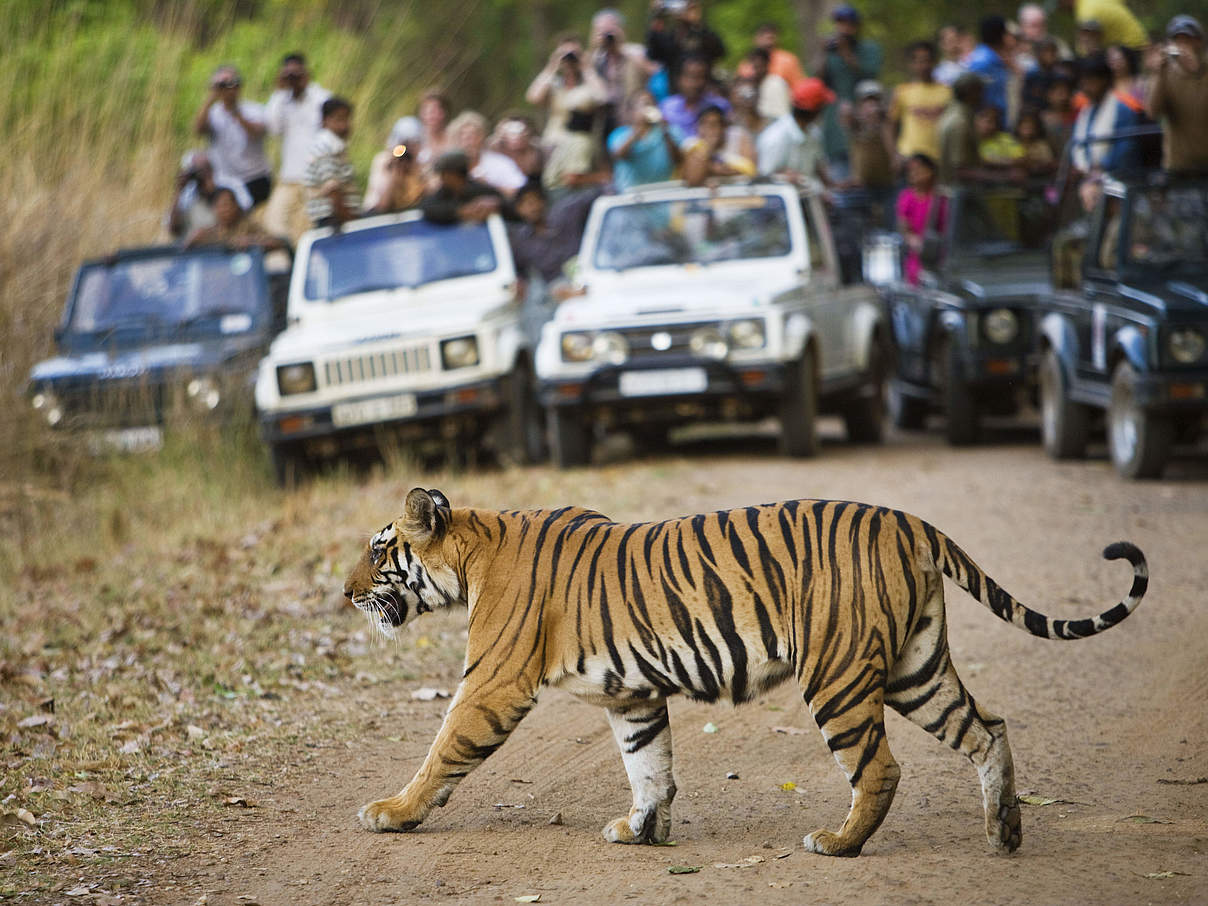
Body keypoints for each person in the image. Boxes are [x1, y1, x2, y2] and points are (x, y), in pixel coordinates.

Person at [262, 52, 331, 243]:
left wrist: (303, 85)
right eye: (289, 74)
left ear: (305, 72)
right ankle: (285, 265)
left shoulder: (321, 98)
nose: (293, 79)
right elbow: (272, 127)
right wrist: (280, 91)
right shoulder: (282, 100)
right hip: (289, 179)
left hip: (314, 178)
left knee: (306, 229)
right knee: (273, 222)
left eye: (296, 74)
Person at [525, 36, 609, 193]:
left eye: (574, 54)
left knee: (579, 188)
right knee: (555, 185)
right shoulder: (554, 84)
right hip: (553, 143)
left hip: (581, 148)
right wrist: (552, 66)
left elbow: (602, 97)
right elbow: (533, 97)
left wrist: (586, 67)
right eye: (565, 54)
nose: (570, 58)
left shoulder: (589, 83)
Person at [192, 65, 272, 206]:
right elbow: (198, 130)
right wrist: (211, 99)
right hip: (225, 180)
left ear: (239, 85)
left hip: (255, 178)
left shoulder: (255, 109)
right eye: (221, 84)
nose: (226, 88)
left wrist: (235, 111)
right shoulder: (213, 113)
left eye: (230, 83)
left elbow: (256, 132)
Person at [820, 5, 883, 175]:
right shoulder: (831, 53)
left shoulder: (869, 49)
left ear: (856, 26)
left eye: (849, 23)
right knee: (839, 169)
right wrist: (824, 54)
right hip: (836, 124)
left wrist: (846, 53)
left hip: (863, 120)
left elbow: (870, 75)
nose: (844, 28)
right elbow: (819, 82)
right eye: (840, 23)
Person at [507, 179, 600, 291]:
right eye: (526, 204)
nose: (533, 207)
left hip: (592, 274)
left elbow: (596, 195)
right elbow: (519, 272)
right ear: (518, 210)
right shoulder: (521, 242)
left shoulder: (567, 213)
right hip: (559, 290)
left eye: (535, 200)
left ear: (544, 201)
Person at [1148, 15, 1208, 172]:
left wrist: (1196, 72)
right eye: (1178, 40)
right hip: (1178, 166)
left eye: (1187, 40)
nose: (1183, 46)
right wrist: (1158, 73)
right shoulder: (1164, 74)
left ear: (1199, 42)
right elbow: (1152, 112)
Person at [1071, 52, 1142, 176]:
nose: (1086, 87)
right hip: (1087, 176)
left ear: (1105, 81)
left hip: (1116, 177)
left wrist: (1101, 167)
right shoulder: (1086, 112)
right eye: (1084, 82)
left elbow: (1125, 149)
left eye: (1091, 81)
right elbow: (1077, 145)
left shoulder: (1123, 110)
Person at [589, 9, 652, 147]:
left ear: (621, 30)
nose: (607, 35)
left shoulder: (636, 51)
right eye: (602, 30)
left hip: (633, 118)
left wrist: (621, 48)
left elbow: (652, 73)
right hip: (606, 123)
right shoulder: (595, 58)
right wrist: (595, 45)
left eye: (610, 29)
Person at [757, 77, 835, 186]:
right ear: (816, 111)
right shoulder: (776, 137)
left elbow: (819, 168)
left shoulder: (813, 133)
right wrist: (783, 178)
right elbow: (763, 179)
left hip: (809, 197)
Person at [166, 150, 252, 240]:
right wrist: (179, 190)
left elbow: (244, 214)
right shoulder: (187, 194)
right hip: (194, 247)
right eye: (196, 170)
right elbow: (173, 229)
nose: (202, 174)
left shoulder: (231, 184)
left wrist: (211, 187)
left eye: (206, 168)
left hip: (224, 243)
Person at [890, 41, 952, 163]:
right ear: (912, 64)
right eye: (919, 61)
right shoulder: (902, 91)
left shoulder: (947, 92)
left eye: (927, 60)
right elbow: (891, 124)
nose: (924, 66)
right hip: (909, 156)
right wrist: (894, 154)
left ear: (934, 62)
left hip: (939, 157)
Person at [303, 97, 359, 228]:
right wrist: (351, 222)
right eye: (339, 119)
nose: (344, 125)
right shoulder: (327, 147)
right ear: (325, 121)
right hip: (334, 221)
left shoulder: (335, 146)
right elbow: (333, 191)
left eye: (347, 119)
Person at [607, 91, 681, 191]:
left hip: (663, 192)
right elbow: (619, 156)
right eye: (643, 104)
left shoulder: (670, 131)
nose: (647, 108)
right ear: (631, 112)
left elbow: (678, 160)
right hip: (631, 194)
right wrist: (637, 132)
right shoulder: (620, 134)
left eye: (651, 104)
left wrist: (665, 130)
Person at [645, 0, 726, 88]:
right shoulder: (670, 37)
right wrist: (657, 16)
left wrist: (697, 23)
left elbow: (720, 51)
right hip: (676, 92)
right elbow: (653, 55)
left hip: (704, 90)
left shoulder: (702, 34)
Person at [447, 111, 527, 196]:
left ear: (483, 137)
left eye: (473, 136)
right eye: (462, 136)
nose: (468, 142)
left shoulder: (500, 163)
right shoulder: (448, 166)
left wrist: (488, 185)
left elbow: (521, 191)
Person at [184, 186, 287, 251]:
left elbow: (277, 242)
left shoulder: (249, 227)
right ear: (214, 209)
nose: (224, 210)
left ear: (236, 206)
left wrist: (251, 242)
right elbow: (185, 249)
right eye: (220, 206)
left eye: (227, 205)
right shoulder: (208, 233)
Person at [896, 153, 946, 285]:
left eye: (920, 170)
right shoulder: (907, 197)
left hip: (942, 252)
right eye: (911, 171)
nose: (915, 174)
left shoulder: (941, 196)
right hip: (919, 255)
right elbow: (905, 229)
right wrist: (915, 242)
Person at [680, 105, 756, 186]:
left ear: (724, 127)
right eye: (703, 124)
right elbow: (693, 180)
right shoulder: (692, 144)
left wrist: (712, 169)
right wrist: (708, 148)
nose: (708, 130)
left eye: (713, 125)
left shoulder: (738, 136)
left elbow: (750, 171)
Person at [420, 150, 503, 225]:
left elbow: (508, 208)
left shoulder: (483, 191)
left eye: (445, 174)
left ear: (455, 175)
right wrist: (460, 211)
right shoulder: (442, 194)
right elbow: (428, 207)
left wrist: (495, 204)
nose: (442, 178)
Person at [659, 55, 730, 138]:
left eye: (700, 77)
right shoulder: (667, 107)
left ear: (707, 80)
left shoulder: (721, 106)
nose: (694, 84)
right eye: (689, 76)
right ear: (678, 79)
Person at [364, 126, 425, 215]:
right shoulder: (385, 163)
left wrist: (415, 168)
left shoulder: (420, 167)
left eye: (412, 144)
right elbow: (383, 205)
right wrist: (394, 171)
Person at [936, 72, 984, 185]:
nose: (982, 95)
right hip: (958, 193)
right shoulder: (959, 122)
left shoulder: (958, 114)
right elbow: (959, 169)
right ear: (970, 92)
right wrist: (1000, 176)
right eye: (980, 91)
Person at [965, 15, 1012, 121]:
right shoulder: (982, 62)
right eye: (1006, 34)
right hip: (987, 124)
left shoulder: (996, 59)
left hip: (999, 120)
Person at [1058, 0, 1147, 50]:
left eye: (1060, 2)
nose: (1060, 7)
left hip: (1132, 49)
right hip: (1141, 39)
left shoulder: (1085, 13)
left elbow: (1085, 52)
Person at [488, 114, 545, 179]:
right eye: (511, 133)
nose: (515, 137)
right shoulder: (492, 149)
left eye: (521, 133)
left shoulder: (539, 150)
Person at [754, 21, 806, 86]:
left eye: (770, 38)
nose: (767, 41)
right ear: (756, 39)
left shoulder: (788, 60)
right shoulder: (748, 62)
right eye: (762, 37)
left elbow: (800, 86)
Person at [745, 48, 791, 121]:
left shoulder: (776, 83)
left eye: (758, 67)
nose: (755, 71)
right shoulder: (752, 85)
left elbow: (781, 115)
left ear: (766, 65)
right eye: (753, 67)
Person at [416, 92, 453, 175]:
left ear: (444, 113)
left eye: (434, 110)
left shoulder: (454, 138)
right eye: (426, 110)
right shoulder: (415, 138)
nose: (430, 115)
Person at [1022, 37, 1062, 111]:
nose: (1050, 55)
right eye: (1047, 51)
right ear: (1039, 53)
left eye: (1053, 51)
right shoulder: (1031, 75)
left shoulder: (1059, 75)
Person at [1015, 108, 1056, 173]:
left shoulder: (1042, 145)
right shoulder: (1012, 143)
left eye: (1031, 126)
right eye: (1024, 126)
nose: (1027, 129)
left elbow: (1048, 161)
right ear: (1018, 127)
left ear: (1037, 129)